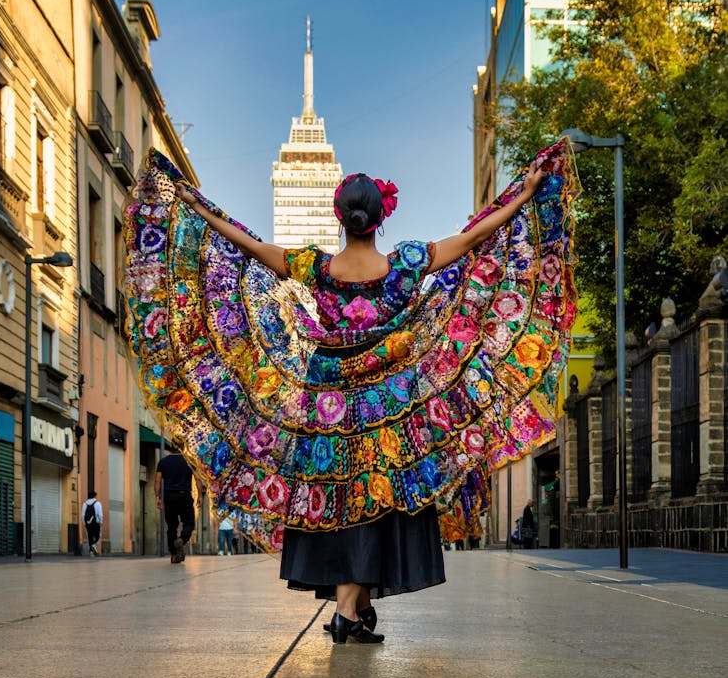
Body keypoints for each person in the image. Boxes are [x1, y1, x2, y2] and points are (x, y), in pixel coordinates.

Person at [124, 138, 578, 643]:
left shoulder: (318, 268)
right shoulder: (405, 264)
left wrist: (195, 207)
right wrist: (524, 194)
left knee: (339, 502)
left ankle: (354, 612)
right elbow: (473, 238)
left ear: (340, 217)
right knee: (380, 502)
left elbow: (245, 244)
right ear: (381, 217)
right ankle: (348, 613)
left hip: (328, 405)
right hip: (390, 402)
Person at [155, 445, 201, 564]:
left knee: (171, 526)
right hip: (184, 495)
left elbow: (157, 480)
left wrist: (158, 497)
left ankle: (174, 555)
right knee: (189, 523)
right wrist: (200, 495)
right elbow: (197, 478)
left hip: (169, 497)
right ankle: (181, 539)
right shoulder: (189, 460)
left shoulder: (163, 461)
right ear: (183, 447)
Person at [81, 491, 102, 556]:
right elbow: (100, 514)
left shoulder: (85, 504)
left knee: (90, 536)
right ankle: (94, 544)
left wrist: (84, 523)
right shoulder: (98, 503)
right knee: (98, 536)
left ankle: (91, 552)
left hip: (88, 523)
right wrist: (101, 521)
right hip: (96, 522)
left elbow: (83, 515)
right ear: (95, 496)